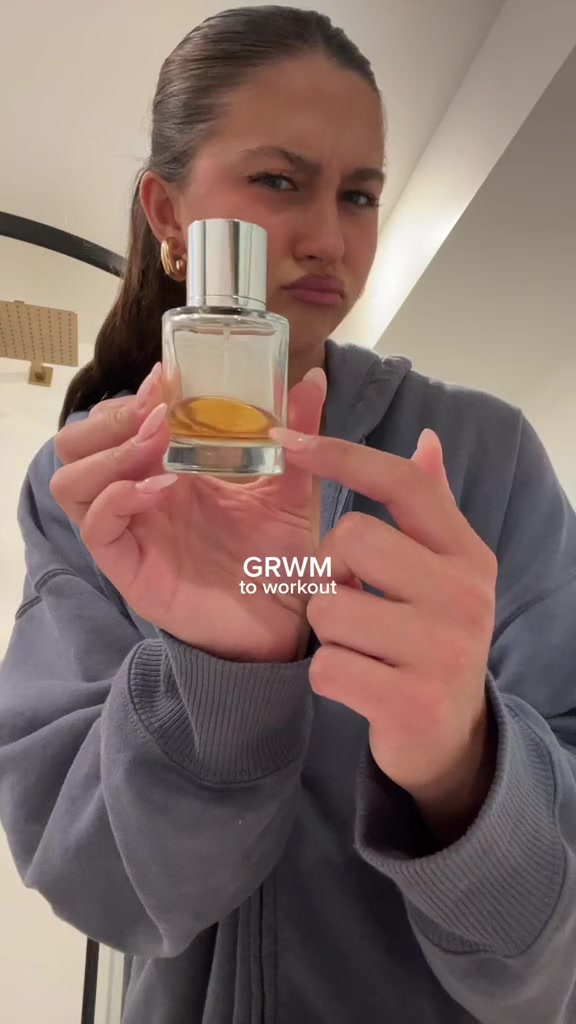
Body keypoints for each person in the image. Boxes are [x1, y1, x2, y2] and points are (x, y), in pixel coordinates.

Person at [1, 6, 575, 1023]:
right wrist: (222, 682)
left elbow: (552, 962)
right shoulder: (93, 484)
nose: (328, 238)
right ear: (169, 214)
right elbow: (99, 889)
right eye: (278, 180)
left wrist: (463, 768)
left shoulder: (479, 456)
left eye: (359, 194)